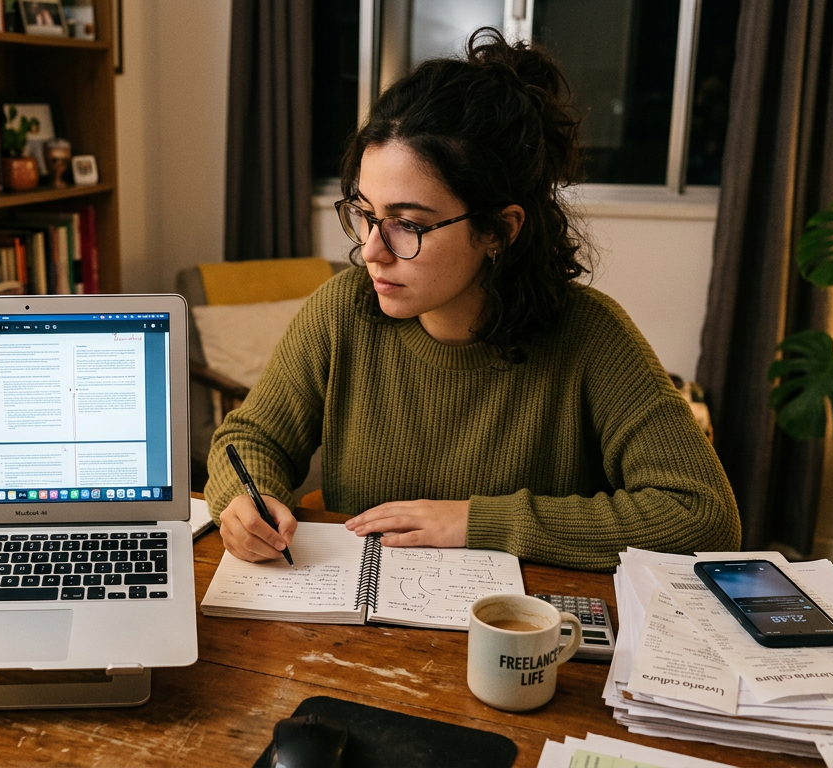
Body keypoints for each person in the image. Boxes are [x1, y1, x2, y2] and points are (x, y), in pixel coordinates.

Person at [204, 29, 740, 572]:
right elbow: (252, 439)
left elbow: (704, 515)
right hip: (362, 612)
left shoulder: (590, 335)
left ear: (499, 231)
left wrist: (477, 521)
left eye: (408, 224)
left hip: (523, 620)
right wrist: (245, 502)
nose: (370, 251)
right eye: (365, 214)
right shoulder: (344, 310)